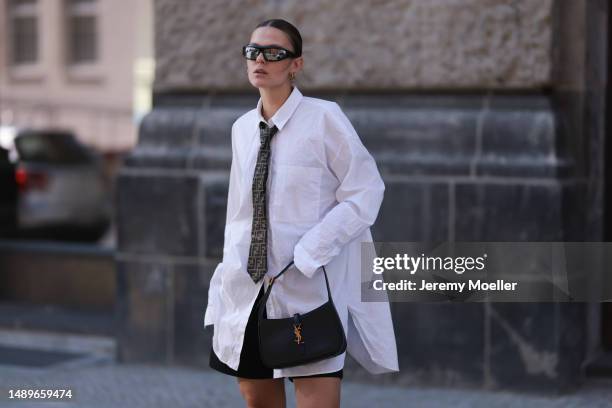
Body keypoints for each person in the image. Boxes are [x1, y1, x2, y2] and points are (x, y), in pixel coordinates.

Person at [204, 18, 399, 408]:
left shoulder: (325, 118)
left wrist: (311, 251)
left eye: (274, 53)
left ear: (296, 64)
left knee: (317, 400)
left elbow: (365, 191)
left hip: (308, 287)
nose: (260, 59)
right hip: (248, 285)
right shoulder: (242, 128)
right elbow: (239, 210)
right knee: (257, 399)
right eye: (253, 51)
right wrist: (227, 273)